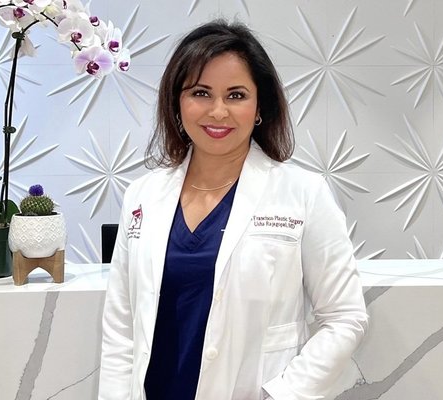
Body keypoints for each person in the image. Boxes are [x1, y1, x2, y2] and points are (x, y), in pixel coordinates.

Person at [99, 20, 369, 400]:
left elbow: (345, 318)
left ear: (260, 106)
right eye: (201, 92)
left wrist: (282, 395)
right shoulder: (142, 196)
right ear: (177, 102)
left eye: (236, 95)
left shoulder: (303, 193)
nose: (218, 111)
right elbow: (121, 328)